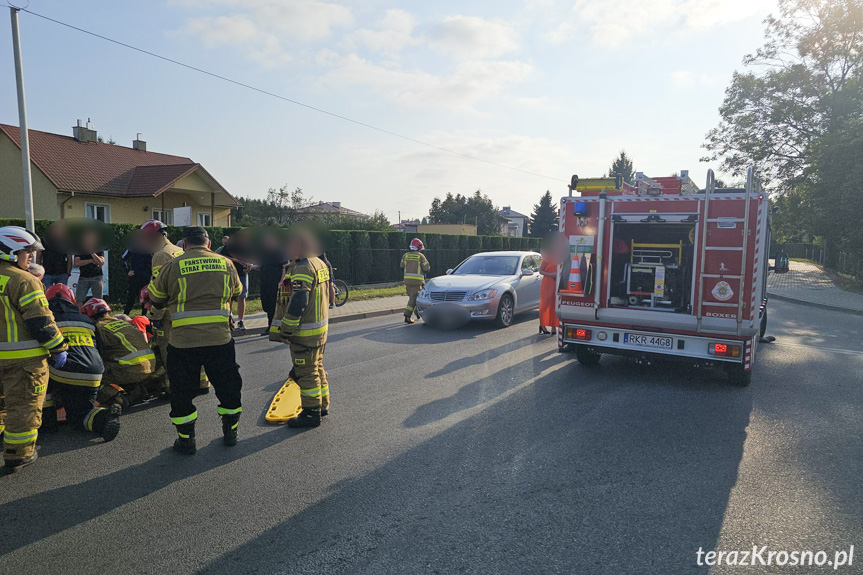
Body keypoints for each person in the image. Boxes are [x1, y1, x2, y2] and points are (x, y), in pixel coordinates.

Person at [148, 227, 243, 455]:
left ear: (184, 244)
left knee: (181, 391)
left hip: (183, 342)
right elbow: (237, 293)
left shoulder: (173, 265)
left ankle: (186, 440)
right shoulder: (225, 264)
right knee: (228, 386)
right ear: (208, 243)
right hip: (219, 339)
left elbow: (156, 297)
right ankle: (231, 432)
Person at [0, 226, 67, 475]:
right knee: (23, 408)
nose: (31, 256)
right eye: (27, 251)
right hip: (24, 363)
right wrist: (59, 347)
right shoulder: (23, 280)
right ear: (9, 251)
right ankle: (19, 454)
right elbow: (41, 321)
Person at [41, 284, 120, 441]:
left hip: (65, 372)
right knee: (81, 412)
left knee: (41, 373)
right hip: (94, 373)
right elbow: (100, 349)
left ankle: (47, 423)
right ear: (71, 300)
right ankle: (103, 416)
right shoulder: (87, 321)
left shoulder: (48, 321)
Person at [142, 219, 210, 395]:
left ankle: (173, 388)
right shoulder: (180, 251)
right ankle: (202, 382)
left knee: (169, 351)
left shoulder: (160, 255)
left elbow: (160, 291)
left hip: (169, 314)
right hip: (188, 309)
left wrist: (155, 316)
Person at [279, 231, 331, 428]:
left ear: (300, 246)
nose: (287, 249)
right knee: (317, 367)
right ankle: (322, 406)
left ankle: (310, 414)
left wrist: (286, 330)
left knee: (306, 373)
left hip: (305, 333)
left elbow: (299, 301)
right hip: (320, 330)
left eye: (290, 245)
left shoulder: (303, 268)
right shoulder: (319, 263)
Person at [82, 298, 157, 410]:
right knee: (116, 360)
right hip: (150, 366)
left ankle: (117, 399)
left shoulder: (98, 329)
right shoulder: (122, 323)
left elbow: (94, 354)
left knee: (90, 373)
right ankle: (136, 389)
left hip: (130, 369)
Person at [219, 236, 252, 332]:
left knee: (242, 297)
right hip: (231, 273)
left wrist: (249, 266)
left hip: (243, 274)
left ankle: (241, 320)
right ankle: (229, 317)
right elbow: (222, 256)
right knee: (230, 296)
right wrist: (236, 260)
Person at [259, 233, 290, 334]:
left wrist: (281, 281)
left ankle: (271, 326)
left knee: (273, 305)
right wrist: (251, 266)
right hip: (264, 283)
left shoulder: (279, 251)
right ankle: (272, 324)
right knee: (266, 305)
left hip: (274, 283)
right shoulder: (264, 252)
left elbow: (285, 266)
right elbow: (262, 265)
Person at [538, 232, 565, 335]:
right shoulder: (546, 258)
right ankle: (543, 325)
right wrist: (551, 274)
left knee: (554, 304)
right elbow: (541, 271)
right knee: (545, 304)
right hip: (548, 282)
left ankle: (554, 327)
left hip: (556, 283)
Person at [400, 238, 430, 324]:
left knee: (412, 297)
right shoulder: (420, 256)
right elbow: (426, 268)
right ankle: (407, 316)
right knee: (413, 298)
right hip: (417, 282)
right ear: (419, 247)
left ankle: (417, 312)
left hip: (407, 281)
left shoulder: (405, 255)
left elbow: (401, 267)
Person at [73, 230, 106, 306]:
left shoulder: (99, 248)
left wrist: (91, 252)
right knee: (79, 299)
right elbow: (77, 263)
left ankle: (99, 316)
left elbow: (100, 262)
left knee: (98, 300)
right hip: (83, 277)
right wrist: (91, 260)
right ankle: (79, 315)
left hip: (97, 277)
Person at [122, 242, 152, 316]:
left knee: (145, 298)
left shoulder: (152, 247)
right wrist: (127, 270)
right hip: (135, 277)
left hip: (147, 277)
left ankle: (144, 317)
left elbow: (156, 259)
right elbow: (123, 259)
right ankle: (125, 315)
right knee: (131, 297)